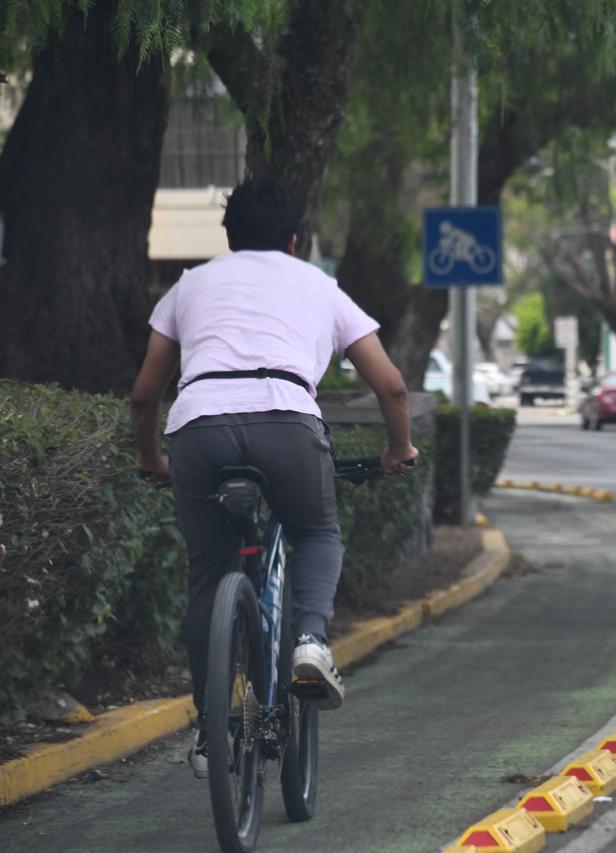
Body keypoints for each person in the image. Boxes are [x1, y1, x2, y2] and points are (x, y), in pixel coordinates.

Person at [130, 178, 418, 778]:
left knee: (209, 573)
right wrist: (399, 447)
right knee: (316, 533)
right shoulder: (319, 284)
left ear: (229, 237)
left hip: (199, 428)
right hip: (288, 424)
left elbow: (144, 394)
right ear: (295, 239)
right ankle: (309, 640)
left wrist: (152, 459)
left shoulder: (190, 285)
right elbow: (390, 384)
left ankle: (211, 738)